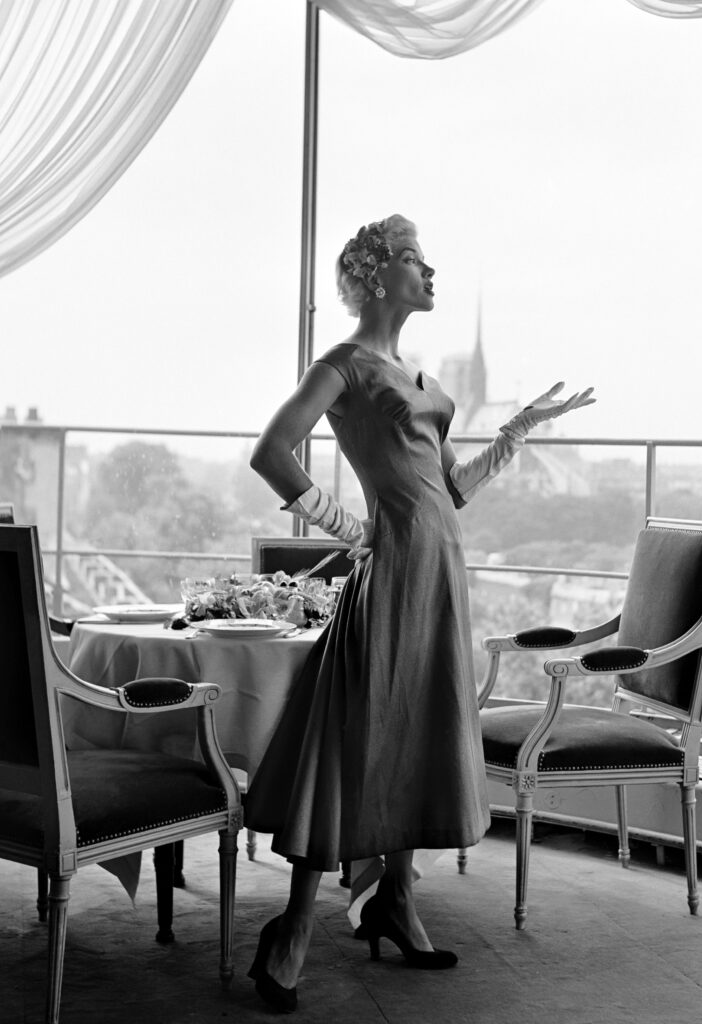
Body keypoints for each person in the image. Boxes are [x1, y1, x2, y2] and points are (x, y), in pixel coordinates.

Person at [244, 214, 595, 1012]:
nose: (429, 273)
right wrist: (347, 526)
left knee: (417, 733)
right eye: (414, 260)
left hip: (443, 570)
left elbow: (453, 490)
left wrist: (517, 431)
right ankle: (294, 927)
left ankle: (398, 901)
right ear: (375, 275)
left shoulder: (426, 386)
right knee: (356, 737)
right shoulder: (347, 367)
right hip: (395, 568)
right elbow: (272, 450)